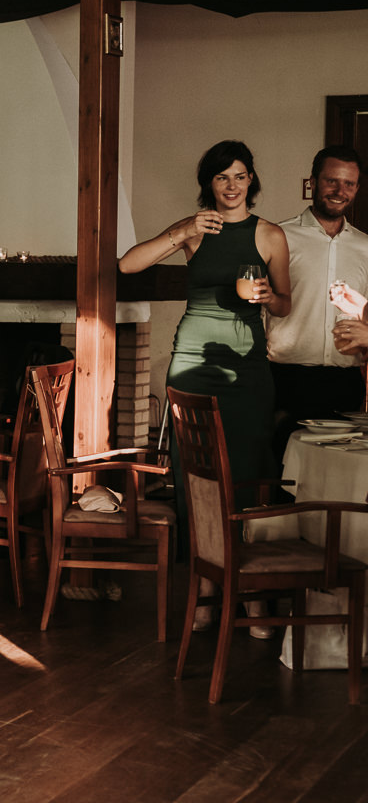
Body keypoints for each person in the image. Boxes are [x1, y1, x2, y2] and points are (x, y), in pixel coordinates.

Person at [120, 140, 291, 636]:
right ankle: (207, 591)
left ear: (251, 181)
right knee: (197, 477)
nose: (232, 185)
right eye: (222, 177)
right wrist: (182, 230)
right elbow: (129, 265)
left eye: (240, 176)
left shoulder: (271, 235)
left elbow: (283, 304)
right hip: (192, 362)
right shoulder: (195, 231)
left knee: (250, 476)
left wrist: (266, 297)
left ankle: (253, 596)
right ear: (209, 185)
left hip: (245, 366)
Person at [267, 145, 368, 456]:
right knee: (283, 478)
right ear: (312, 182)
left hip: (346, 381)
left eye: (349, 183)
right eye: (331, 181)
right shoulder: (278, 236)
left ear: (357, 188)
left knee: (341, 478)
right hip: (287, 378)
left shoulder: (366, 246)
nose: (340, 191)